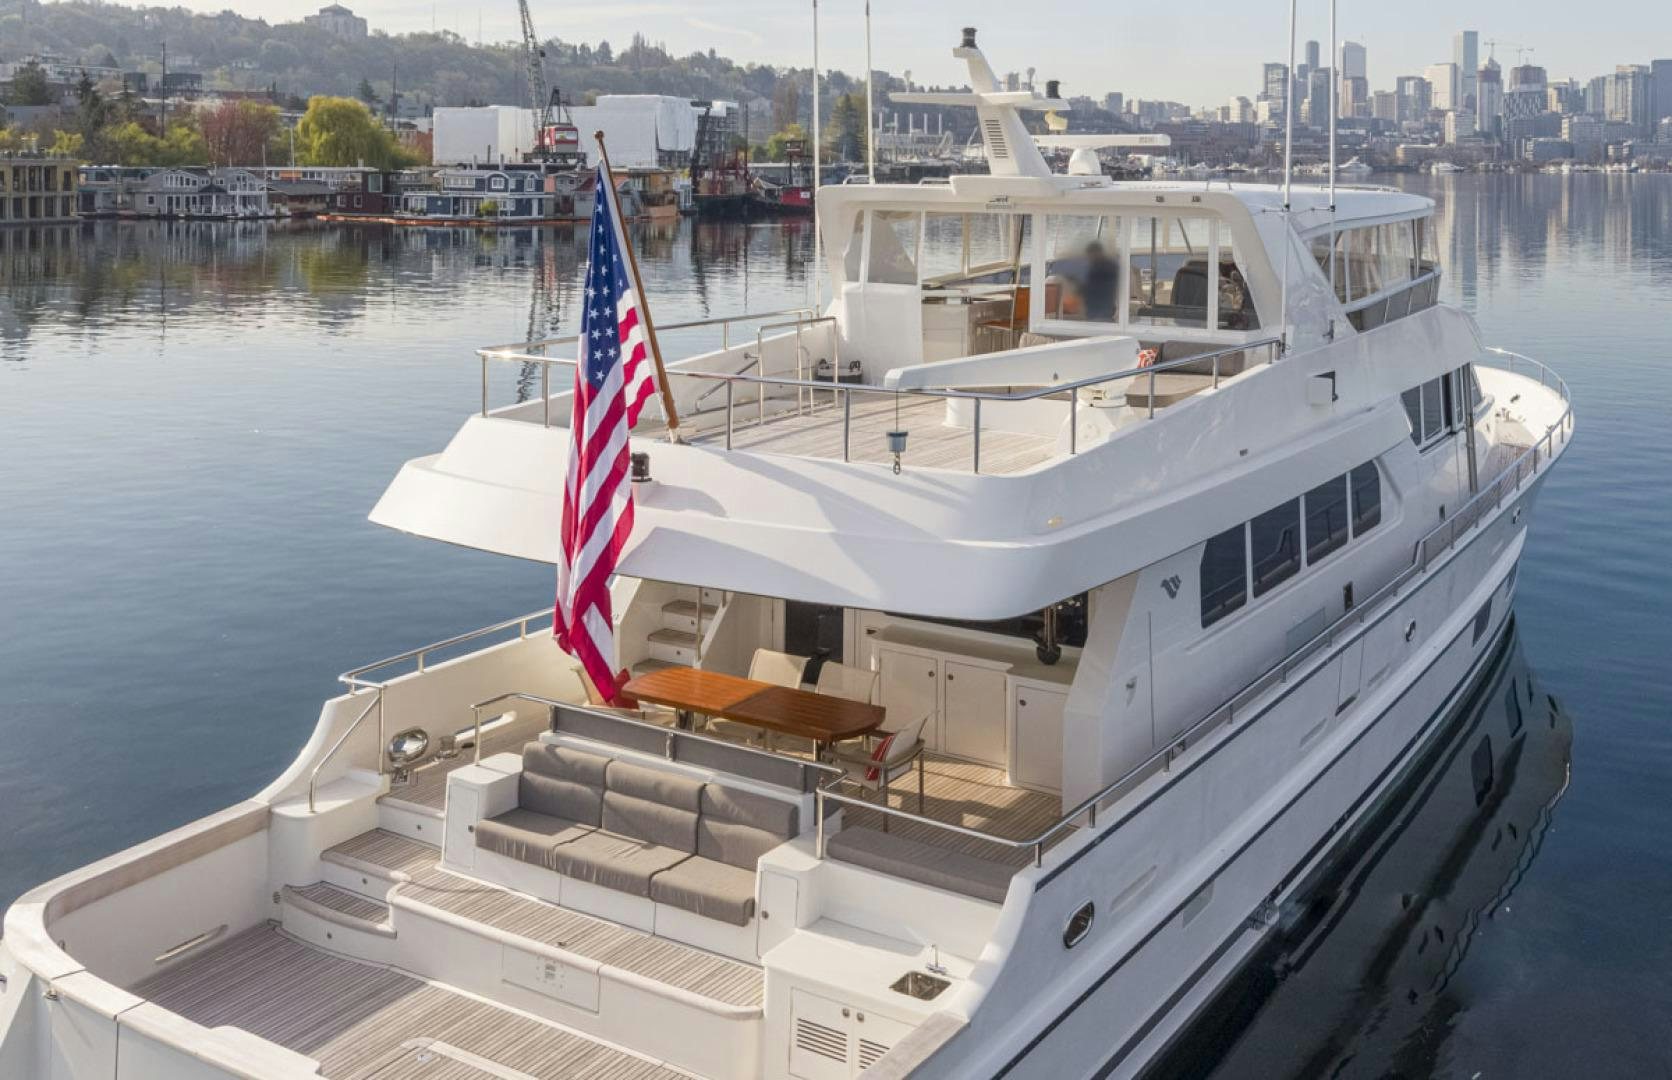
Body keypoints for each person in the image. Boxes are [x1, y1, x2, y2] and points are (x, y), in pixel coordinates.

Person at [1080, 241, 1119, 321]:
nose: (1089, 257)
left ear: (1097, 253)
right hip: (1101, 309)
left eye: (1090, 255)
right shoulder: (1105, 265)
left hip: (1101, 309)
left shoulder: (1102, 267)